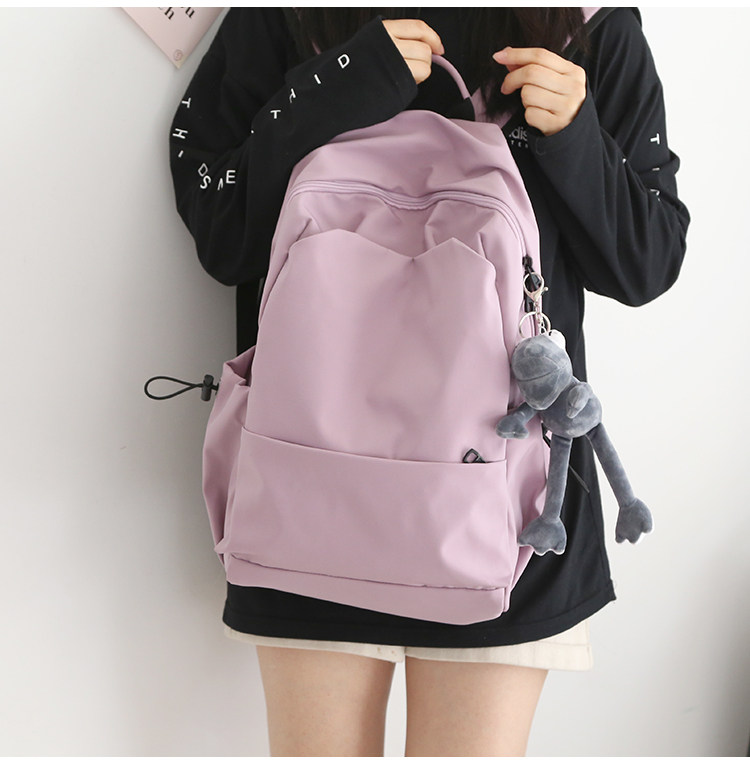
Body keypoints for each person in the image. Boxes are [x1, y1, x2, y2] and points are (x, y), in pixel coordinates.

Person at [169, 8, 689, 756]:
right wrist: (342, 82)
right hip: (312, 502)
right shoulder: (285, 14)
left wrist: (576, 135)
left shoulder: (591, 23)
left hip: (510, 513)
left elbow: (647, 262)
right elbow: (223, 232)